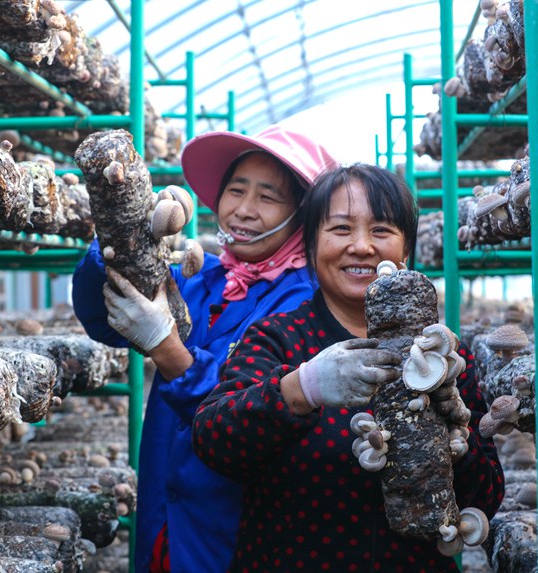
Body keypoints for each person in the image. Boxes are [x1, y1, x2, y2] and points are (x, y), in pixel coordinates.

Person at [193, 163, 504, 571]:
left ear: (405, 249)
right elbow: (214, 440)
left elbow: (487, 492)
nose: (361, 246)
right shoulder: (278, 337)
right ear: (310, 245)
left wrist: (453, 440)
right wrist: (303, 387)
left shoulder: (441, 354)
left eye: (381, 230)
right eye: (340, 229)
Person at [72, 125, 338, 573]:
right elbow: (103, 319)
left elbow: (257, 407)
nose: (244, 210)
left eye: (268, 197)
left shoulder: (305, 301)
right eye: (236, 191)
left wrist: (170, 351)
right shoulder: (200, 275)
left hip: (236, 526)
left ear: (303, 215)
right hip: (165, 512)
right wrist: (126, 236)